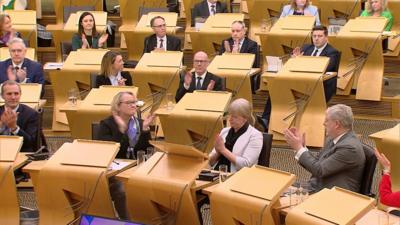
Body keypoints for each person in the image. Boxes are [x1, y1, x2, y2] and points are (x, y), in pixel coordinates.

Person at [260, 25, 340, 129]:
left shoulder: (332, 52)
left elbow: (325, 68)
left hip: (319, 86)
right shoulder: (306, 47)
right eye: (314, 36)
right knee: (277, 90)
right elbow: (294, 67)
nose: (316, 38)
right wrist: (295, 60)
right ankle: (265, 120)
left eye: (319, 36)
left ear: (326, 37)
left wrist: (301, 61)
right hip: (300, 82)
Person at [97, 91, 155, 220]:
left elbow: (147, 152)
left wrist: (145, 131)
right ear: (118, 106)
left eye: (135, 102)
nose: (134, 105)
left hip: (136, 169)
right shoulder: (106, 124)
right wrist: (121, 131)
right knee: (122, 191)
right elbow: (107, 152)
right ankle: (127, 221)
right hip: (114, 172)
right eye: (129, 103)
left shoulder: (140, 123)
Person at [284, 104, 365, 193]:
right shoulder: (333, 138)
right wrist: (301, 147)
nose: (323, 123)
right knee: (279, 188)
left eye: (327, 120)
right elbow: (317, 163)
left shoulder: (350, 148)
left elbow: (320, 170)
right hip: (319, 186)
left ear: (337, 124)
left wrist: (299, 148)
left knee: (283, 195)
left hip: (333, 195)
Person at [209, 98, 263, 173]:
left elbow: (246, 165)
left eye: (234, 117)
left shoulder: (255, 135)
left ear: (245, 118)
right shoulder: (225, 131)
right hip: (216, 173)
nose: (230, 119)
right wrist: (218, 152)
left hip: (237, 177)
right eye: (229, 115)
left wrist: (223, 150)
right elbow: (210, 163)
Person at [0, 80, 39, 152]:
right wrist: (1, 125)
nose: (13, 97)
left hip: (21, 152)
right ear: (2, 96)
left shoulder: (31, 114)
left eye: (16, 93)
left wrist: (14, 128)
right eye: (9, 94)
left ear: (20, 94)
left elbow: (31, 142)